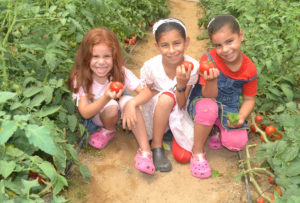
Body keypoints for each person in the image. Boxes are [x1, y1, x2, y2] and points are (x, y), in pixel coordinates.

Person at [175, 14, 257, 178]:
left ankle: (215, 130)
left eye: (229, 41)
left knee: (237, 143)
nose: (225, 50)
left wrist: (241, 116)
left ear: (241, 35)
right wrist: (212, 80)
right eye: (218, 45)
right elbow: (208, 95)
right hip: (202, 102)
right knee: (209, 108)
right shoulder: (209, 60)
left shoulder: (250, 69)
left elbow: (249, 99)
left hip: (229, 107)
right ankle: (197, 152)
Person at [67, 27, 155, 175]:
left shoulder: (120, 72)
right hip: (96, 116)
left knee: (130, 102)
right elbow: (85, 112)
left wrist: (132, 104)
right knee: (112, 106)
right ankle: (108, 130)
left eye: (107, 56)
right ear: (86, 57)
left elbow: (146, 92)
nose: (101, 62)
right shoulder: (81, 78)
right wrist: (106, 97)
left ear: (114, 56)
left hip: (120, 109)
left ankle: (146, 151)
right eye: (95, 56)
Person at [140, 18, 199, 172]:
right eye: (165, 45)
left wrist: (181, 85)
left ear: (186, 42)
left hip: (178, 110)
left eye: (177, 43)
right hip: (155, 112)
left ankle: (170, 131)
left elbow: (181, 104)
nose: (172, 50)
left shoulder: (192, 67)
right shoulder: (150, 67)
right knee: (166, 97)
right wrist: (133, 104)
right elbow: (145, 93)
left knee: (185, 156)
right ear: (157, 46)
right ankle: (156, 146)